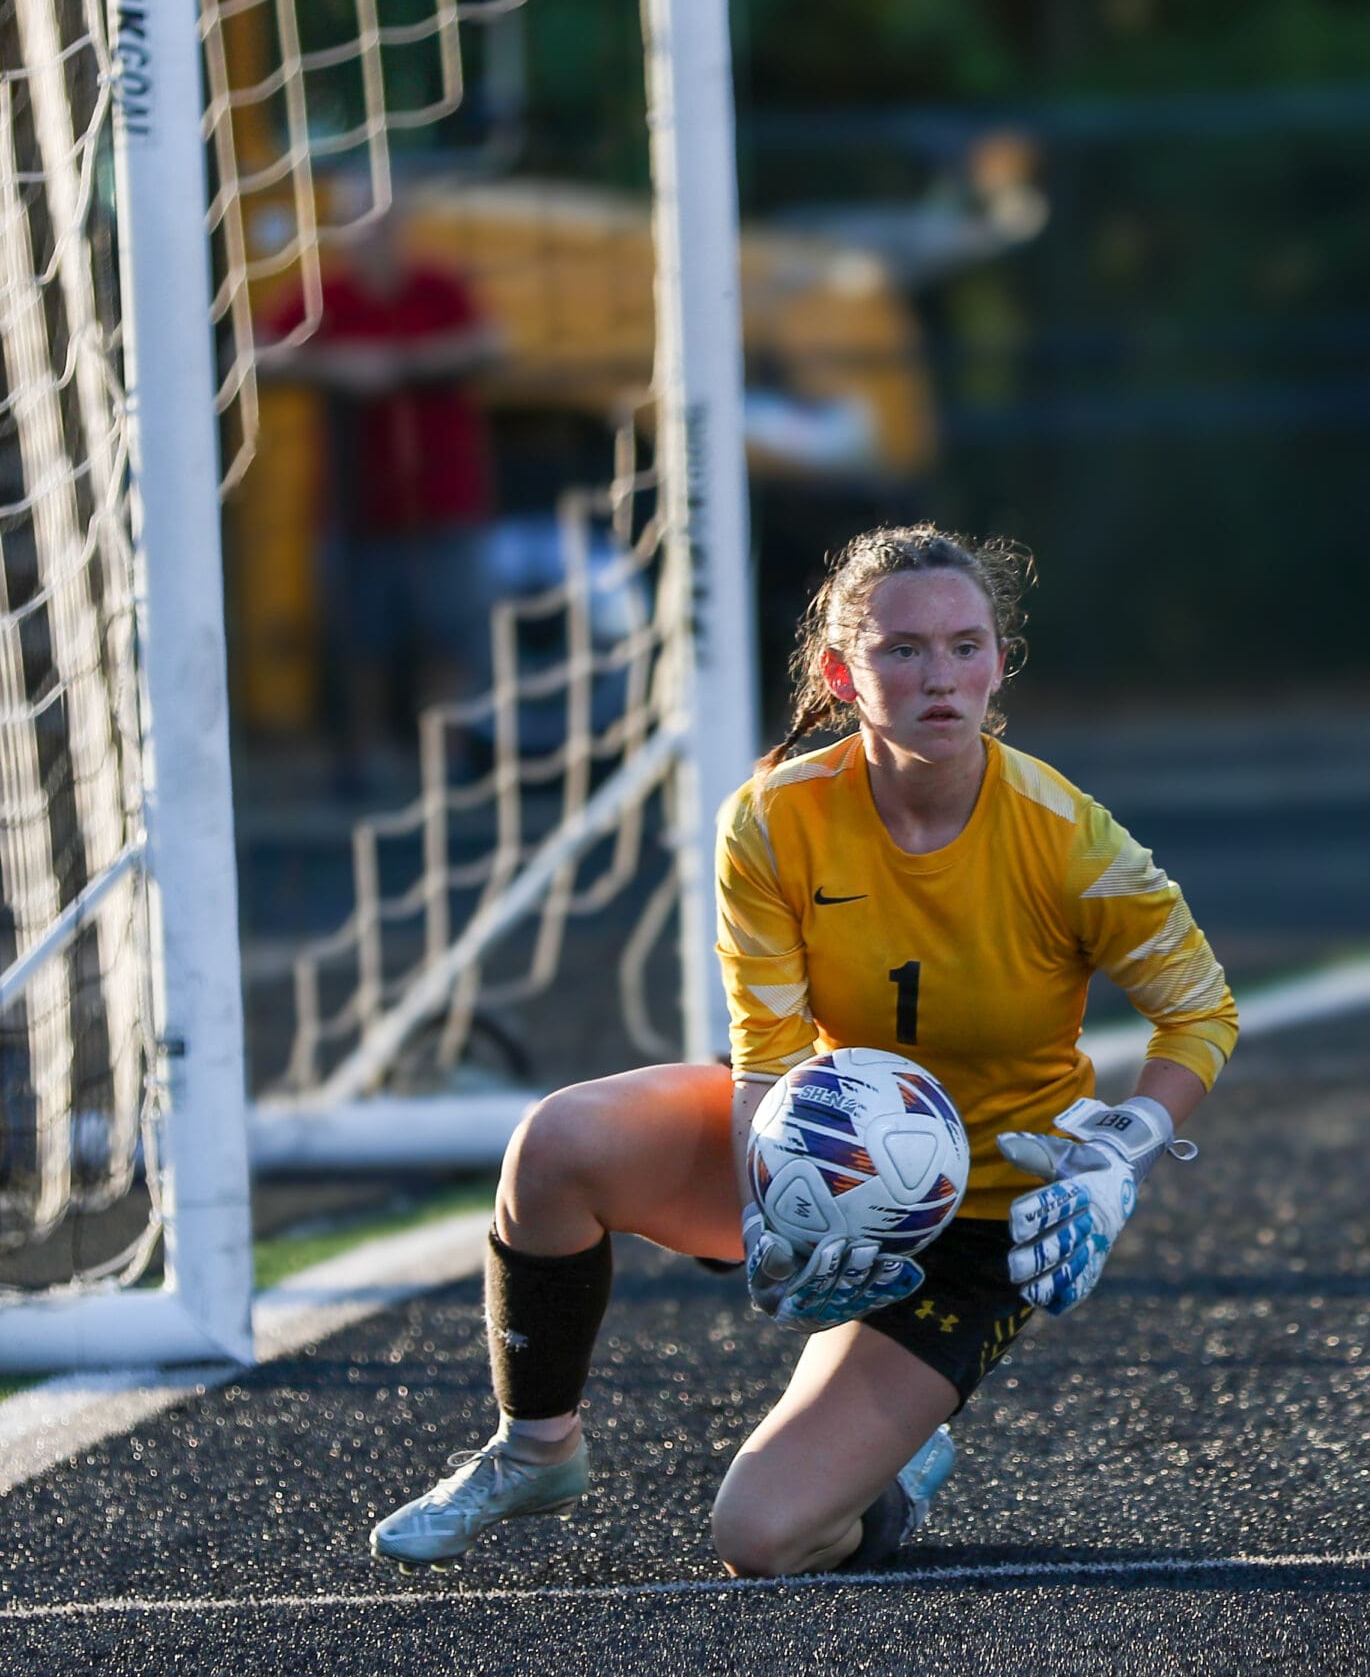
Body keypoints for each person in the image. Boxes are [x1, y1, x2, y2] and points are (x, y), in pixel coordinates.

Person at [370, 525, 1239, 1576]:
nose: (940, 677)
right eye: (902, 649)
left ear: (998, 663)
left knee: (762, 1536)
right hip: (817, 1151)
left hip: (985, 1216)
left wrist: (1117, 1156)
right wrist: (766, 1210)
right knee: (558, 1142)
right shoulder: (772, 820)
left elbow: (1200, 1013)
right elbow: (767, 1052)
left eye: (965, 647)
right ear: (839, 673)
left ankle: (895, 1474)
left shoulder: (1070, 840)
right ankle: (536, 1446)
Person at [261, 196, 501, 789]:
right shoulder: (324, 296)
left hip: (443, 497)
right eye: (359, 225)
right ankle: (362, 761)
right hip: (355, 504)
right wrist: (333, 365)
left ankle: (447, 760)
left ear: (402, 229)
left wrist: (404, 364)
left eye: (383, 224)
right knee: (358, 639)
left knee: (449, 632)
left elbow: (491, 344)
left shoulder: (437, 288)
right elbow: (252, 353)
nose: (373, 237)